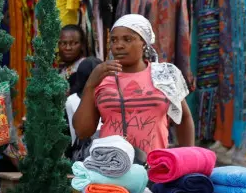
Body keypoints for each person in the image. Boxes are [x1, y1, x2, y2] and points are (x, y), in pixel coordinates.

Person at [73, 14, 194, 160]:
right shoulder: (101, 77)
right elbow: (82, 131)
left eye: (127, 39)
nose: (118, 45)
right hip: (109, 168)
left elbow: (184, 118)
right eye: (113, 40)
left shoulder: (164, 74)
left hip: (156, 168)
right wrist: (90, 85)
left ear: (144, 42)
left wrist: (188, 160)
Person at [57, 25, 101, 163]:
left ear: (82, 45)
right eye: (63, 43)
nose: (68, 48)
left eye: (73, 43)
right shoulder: (62, 68)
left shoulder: (87, 68)